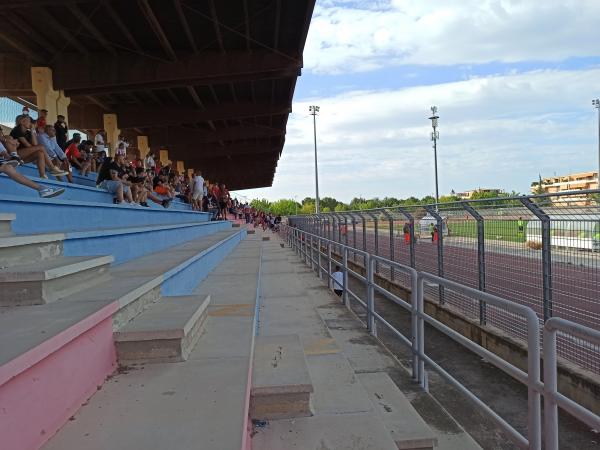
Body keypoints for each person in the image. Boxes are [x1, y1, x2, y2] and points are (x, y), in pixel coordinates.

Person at [0, 135, 64, 198]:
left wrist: (7, 154)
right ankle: (14, 157)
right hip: (9, 156)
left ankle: (43, 189)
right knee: (7, 166)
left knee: (8, 168)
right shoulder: (18, 131)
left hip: (7, 158)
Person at [9, 115, 67, 179]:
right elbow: (28, 145)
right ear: (22, 122)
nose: (31, 123)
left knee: (40, 153)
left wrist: (33, 130)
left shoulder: (28, 132)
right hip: (16, 155)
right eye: (29, 121)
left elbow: (35, 143)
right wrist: (35, 148)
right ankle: (52, 168)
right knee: (41, 147)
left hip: (22, 158)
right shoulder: (17, 129)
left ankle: (43, 175)